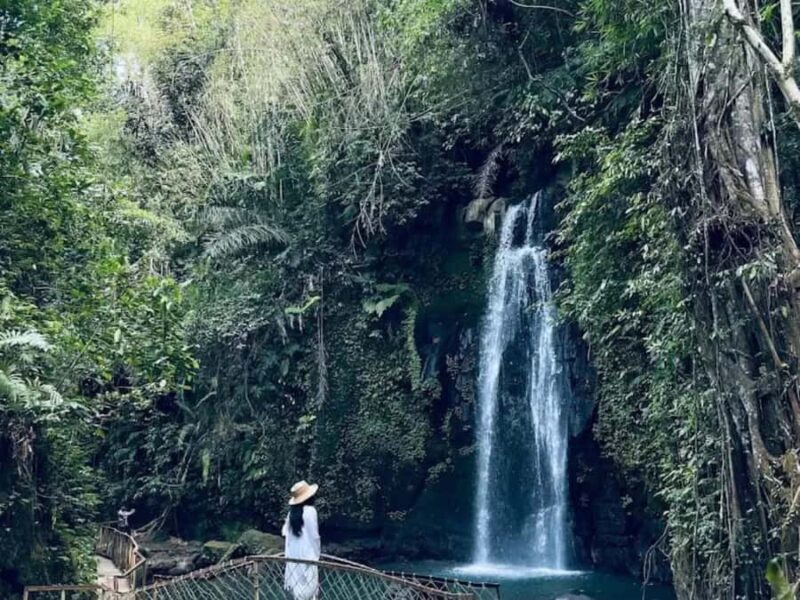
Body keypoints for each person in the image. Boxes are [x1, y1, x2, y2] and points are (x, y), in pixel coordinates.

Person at [282, 480, 321, 600]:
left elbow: (286, 534)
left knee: (297, 583)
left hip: (293, 553)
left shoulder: (291, 514)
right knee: (309, 583)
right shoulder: (310, 511)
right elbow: (314, 536)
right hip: (307, 553)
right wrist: (316, 554)